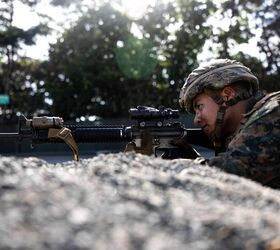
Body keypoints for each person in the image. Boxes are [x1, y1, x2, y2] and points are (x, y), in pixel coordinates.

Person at [178, 58, 280, 189]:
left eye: (199, 106)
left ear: (227, 95)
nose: (196, 119)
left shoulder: (273, 112)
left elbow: (227, 173)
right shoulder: (245, 128)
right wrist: (184, 153)